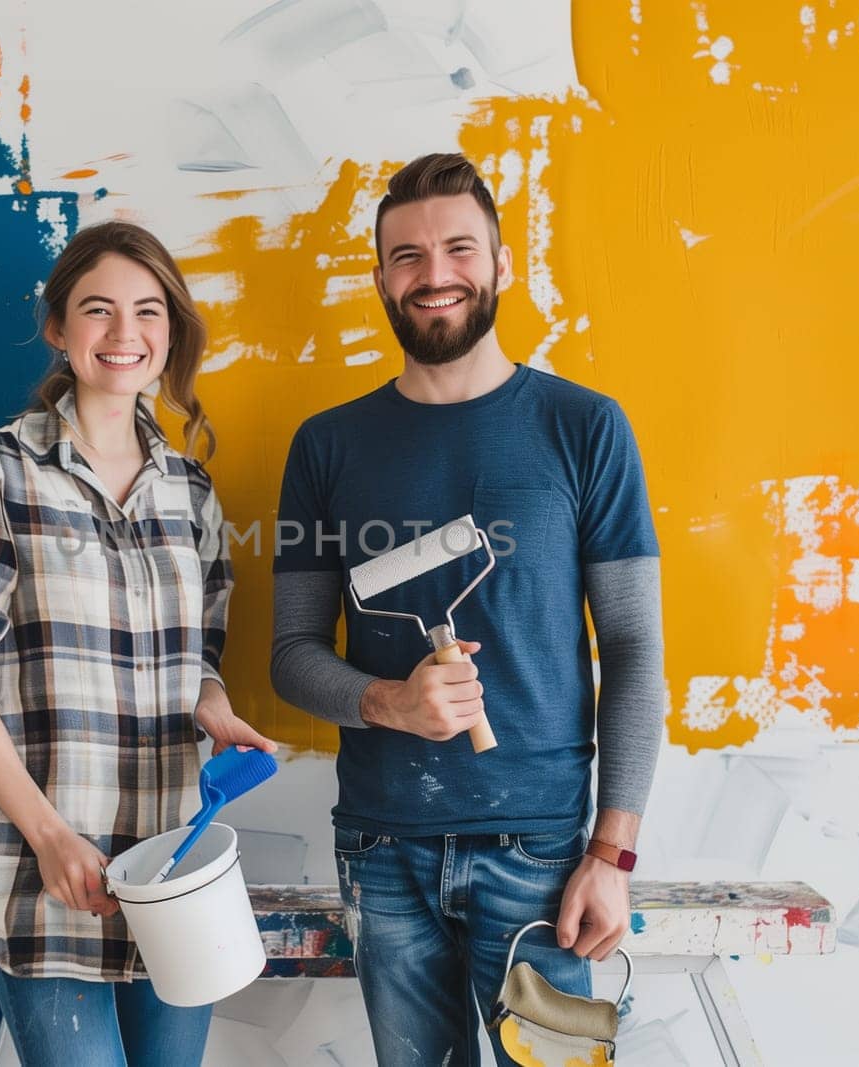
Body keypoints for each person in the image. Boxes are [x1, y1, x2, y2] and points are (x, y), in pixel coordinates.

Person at [270, 153, 664, 1066]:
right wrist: (389, 701)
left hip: (543, 857)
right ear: (380, 278)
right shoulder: (327, 445)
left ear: (501, 263)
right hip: (381, 849)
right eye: (406, 256)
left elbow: (635, 647)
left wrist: (612, 853)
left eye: (457, 249)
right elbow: (290, 654)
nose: (434, 274)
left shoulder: (584, 427)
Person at [0, 220, 277, 1067]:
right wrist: (49, 835)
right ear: (58, 329)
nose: (125, 334)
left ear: (171, 331)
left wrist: (215, 712)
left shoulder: (189, 490)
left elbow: (198, 661)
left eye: (148, 311)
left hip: (173, 874)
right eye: (98, 309)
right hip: (48, 876)